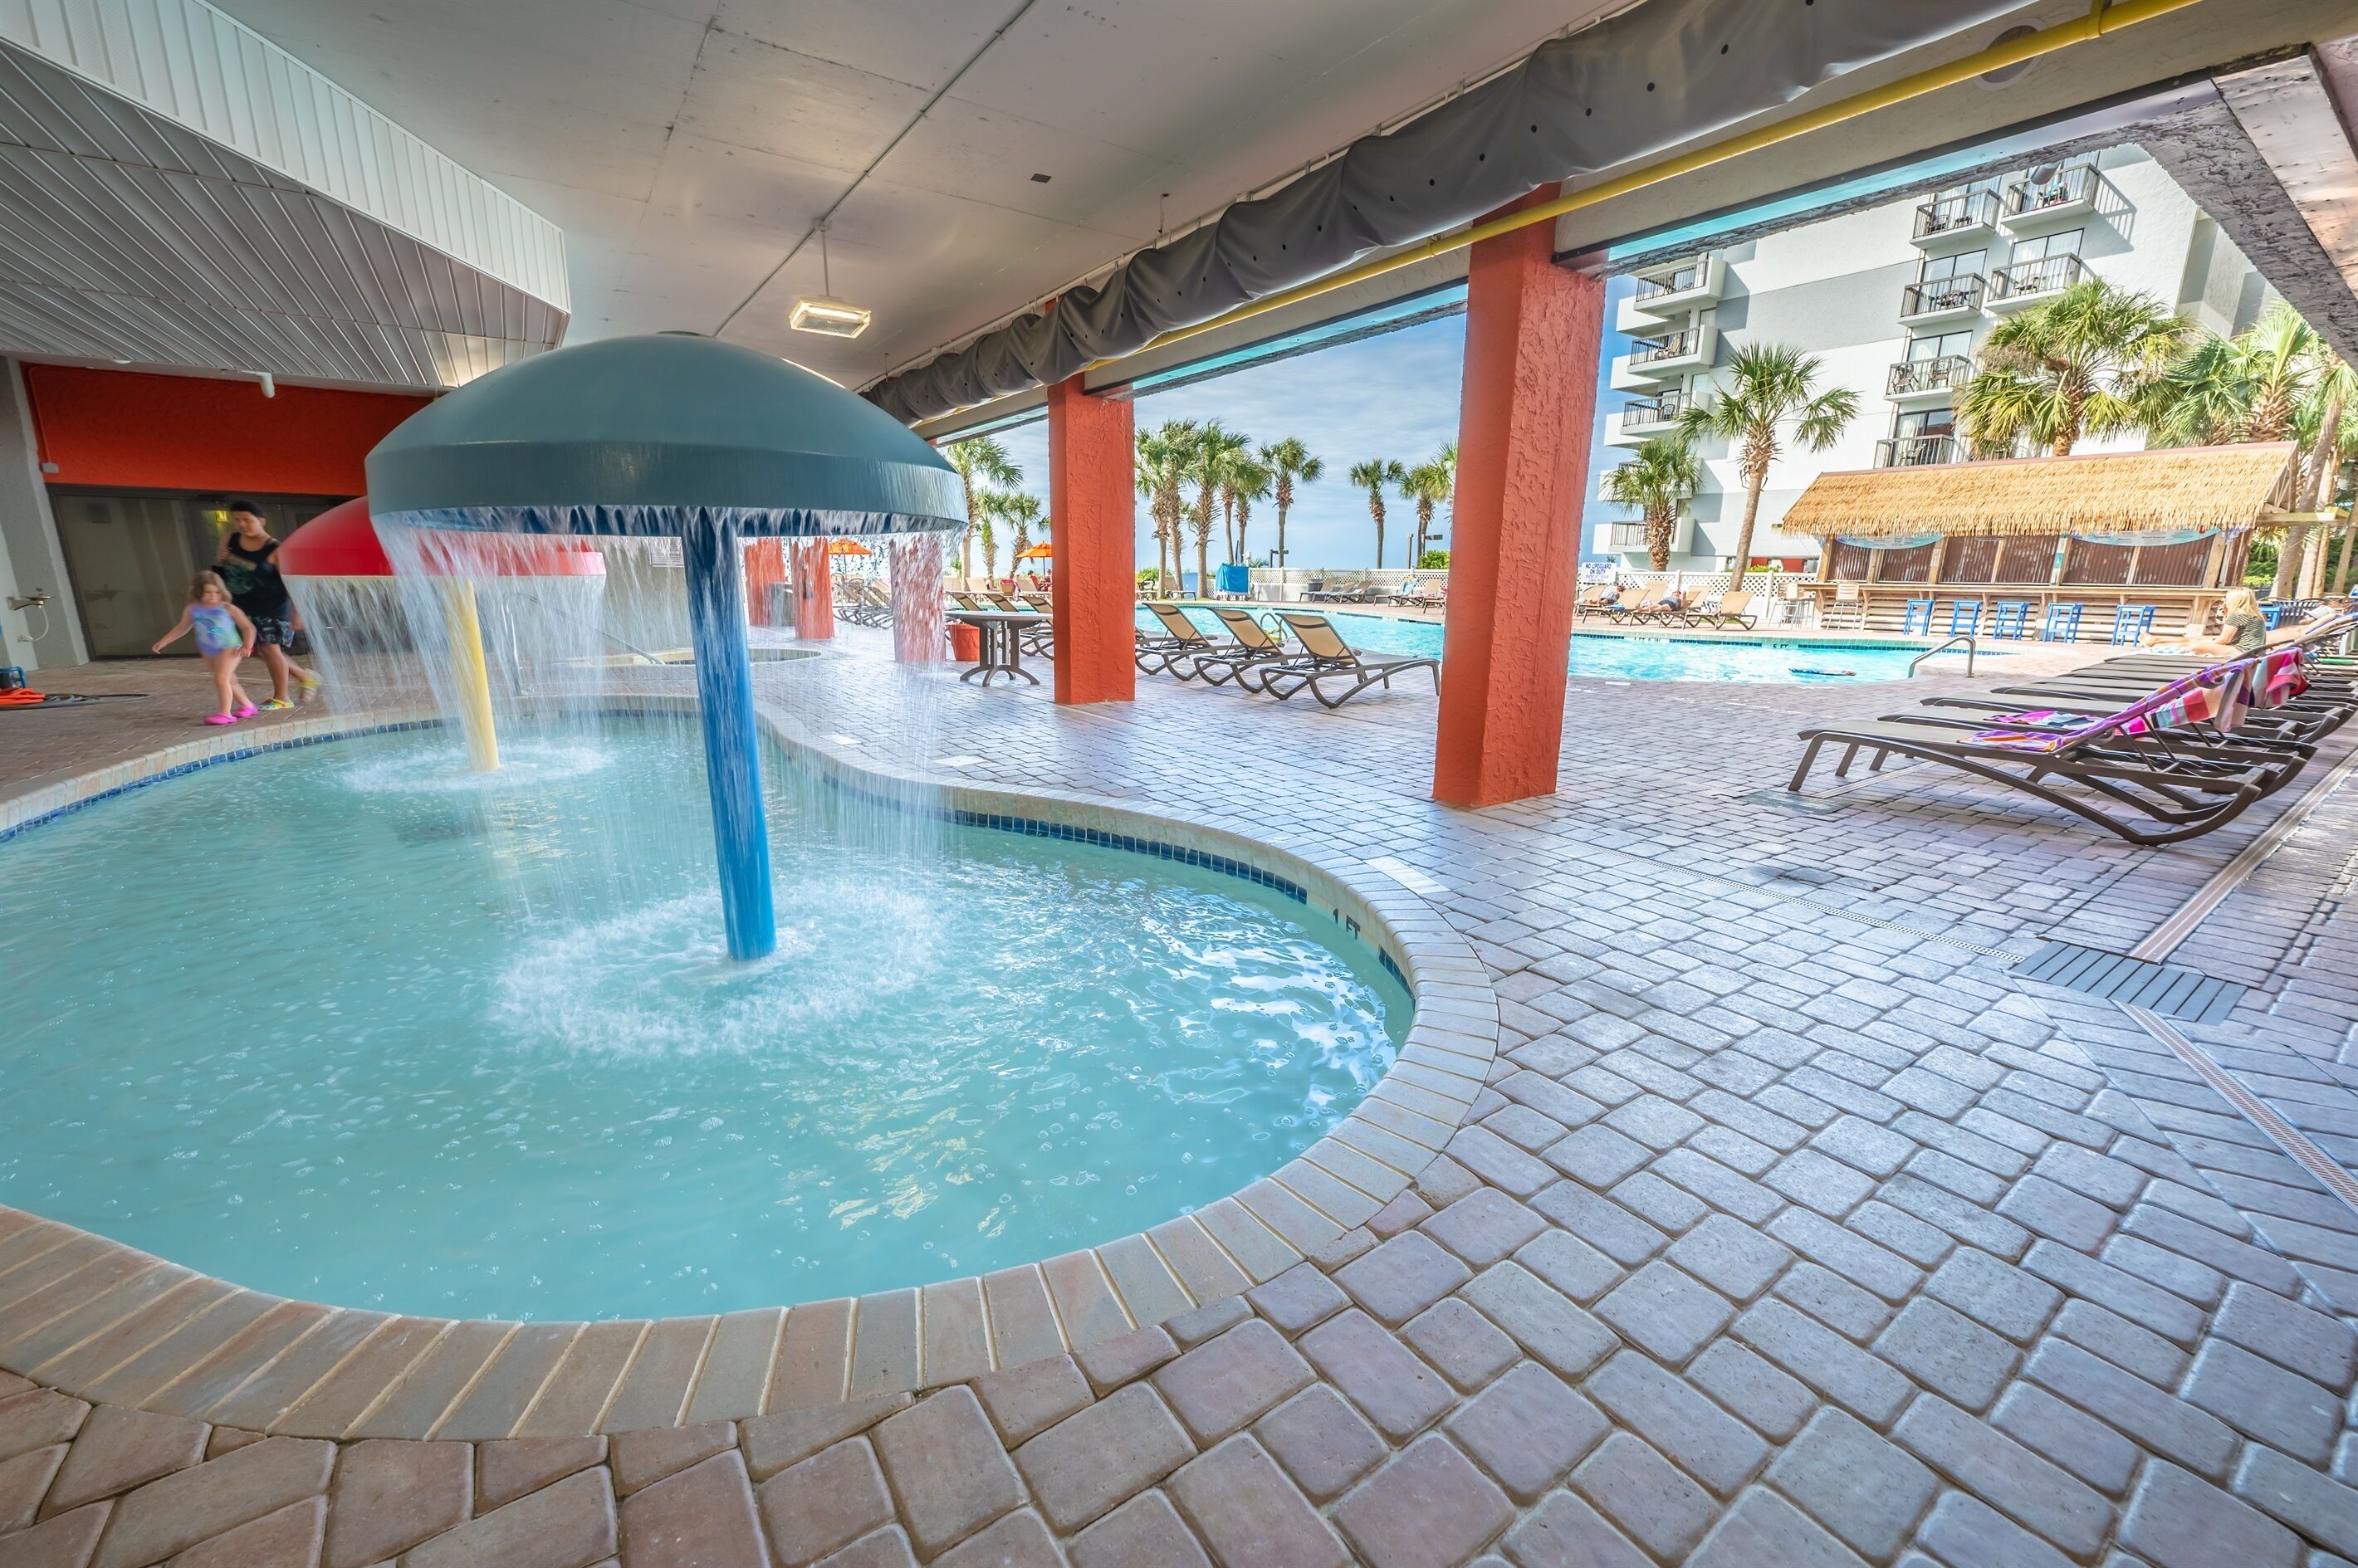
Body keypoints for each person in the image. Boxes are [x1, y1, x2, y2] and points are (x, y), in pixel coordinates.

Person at [215, 501, 320, 709]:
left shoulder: (275, 548)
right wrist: (220, 560)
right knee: (256, 650)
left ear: (261, 520)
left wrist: (298, 612)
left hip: (272, 605)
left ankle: (282, 698)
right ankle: (305, 675)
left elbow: (293, 581)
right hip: (241, 606)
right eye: (237, 520)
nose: (242, 524)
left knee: (270, 648)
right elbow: (220, 570)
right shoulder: (230, 539)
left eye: (247, 520)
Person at [153, 572, 257, 725]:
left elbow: (248, 627)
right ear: (199, 592)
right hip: (208, 649)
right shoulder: (193, 609)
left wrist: (248, 646)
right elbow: (182, 627)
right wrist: (164, 641)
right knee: (229, 680)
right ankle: (248, 705)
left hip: (230, 647)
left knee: (221, 678)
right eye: (208, 592)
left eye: (216, 592)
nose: (212, 596)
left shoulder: (227, 608)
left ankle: (225, 713)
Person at [2151, 586, 2267, 657]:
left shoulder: (2237, 616)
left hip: (2241, 652)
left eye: (2226, 599)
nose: (2224, 601)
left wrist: (2206, 645)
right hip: (2256, 651)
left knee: (2195, 647)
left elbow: (2223, 640)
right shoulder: (2256, 615)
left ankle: (2160, 647)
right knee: (2204, 641)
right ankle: (2160, 643)